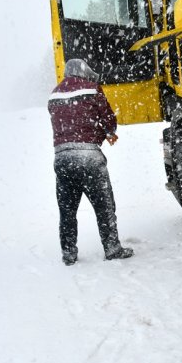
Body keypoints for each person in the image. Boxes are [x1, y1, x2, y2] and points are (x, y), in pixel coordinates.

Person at [48, 58, 134, 265]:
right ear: (84, 71)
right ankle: (112, 248)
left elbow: (63, 121)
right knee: (104, 206)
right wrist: (109, 132)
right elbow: (107, 117)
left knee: (67, 209)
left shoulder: (54, 94)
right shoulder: (92, 89)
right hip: (89, 157)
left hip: (62, 158)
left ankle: (69, 254)